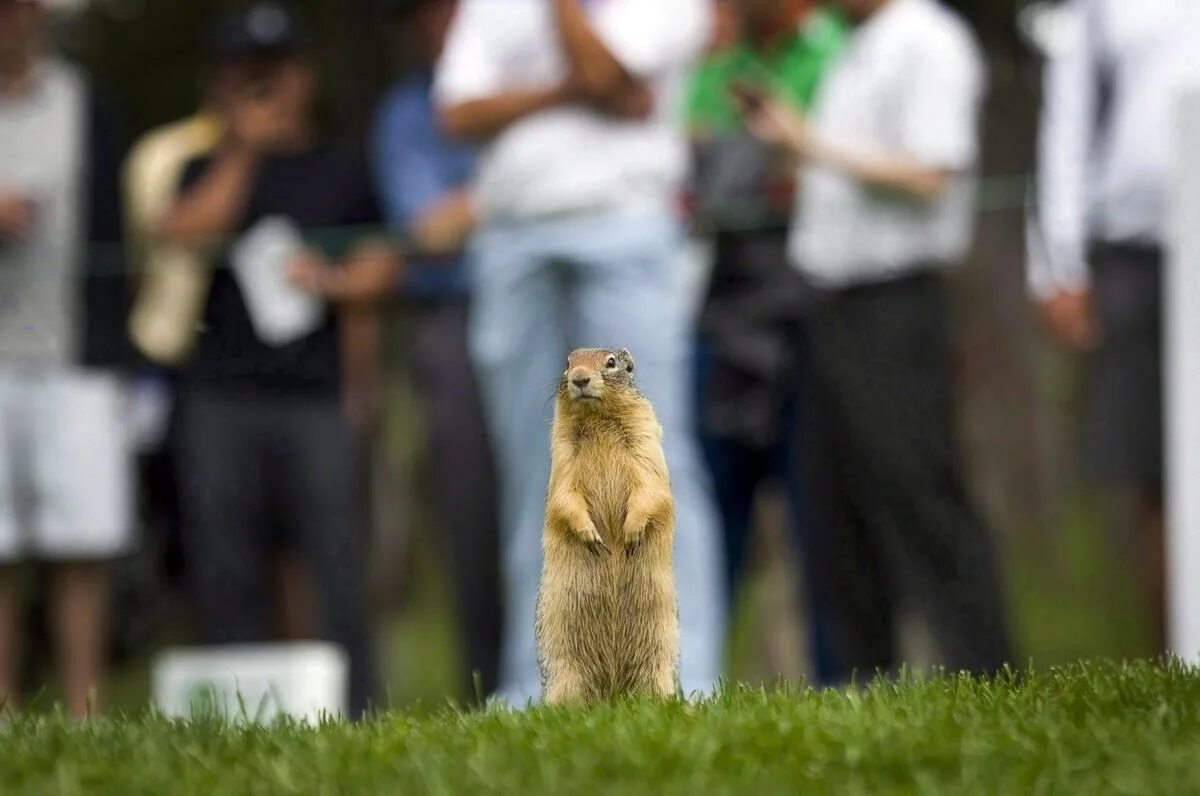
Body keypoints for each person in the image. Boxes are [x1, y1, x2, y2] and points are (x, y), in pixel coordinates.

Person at [436, 0, 725, 703]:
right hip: (512, 240)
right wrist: (570, 91)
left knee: (655, 454)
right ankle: (535, 684)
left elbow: (606, 72)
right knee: (534, 465)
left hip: (625, 233)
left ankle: (686, 680)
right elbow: (458, 111)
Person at [744, 0, 1010, 678]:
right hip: (825, 305)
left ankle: (984, 674)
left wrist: (808, 143)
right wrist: (790, 149)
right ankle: (862, 689)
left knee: (920, 495)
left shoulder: (929, 39)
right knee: (835, 510)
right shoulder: (855, 47)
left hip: (894, 305)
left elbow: (929, 173)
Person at [161, 2, 400, 718]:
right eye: (245, 77)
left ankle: (356, 711)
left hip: (317, 396)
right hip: (219, 395)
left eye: (274, 75)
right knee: (225, 560)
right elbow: (184, 234)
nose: (263, 90)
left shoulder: (340, 169)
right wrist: (244, 150)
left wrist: (334, 296)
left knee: (333, 561)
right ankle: (238, 712)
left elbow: (382, 269)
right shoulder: (203, 166)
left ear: (304, 77)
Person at [1029, 0, 1200, 650]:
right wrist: (1057, 263)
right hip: (1141, 249)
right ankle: (1177, 669)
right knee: (1151, 472)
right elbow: (1066, 119)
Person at [685, 0, 847, 684]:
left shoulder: (841, 46)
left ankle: (843, 689)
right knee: (707, 519)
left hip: (814, 312)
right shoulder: (714, 62)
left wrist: (775, 152)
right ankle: (688, 688)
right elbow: (693, 184)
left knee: (823, 520)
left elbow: (823, 174)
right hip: (721, 314)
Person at [0, 0, 132, 716]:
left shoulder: (89, 106)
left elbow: (121, 230)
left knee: (83, 542)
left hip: (77, 359)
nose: (9, 20)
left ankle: (87, 716)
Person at [371, 0, 503, 700]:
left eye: (447, 10)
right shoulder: (405, 111)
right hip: (454, 320)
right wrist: (521, 182)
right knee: (472, 514)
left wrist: (478, 202)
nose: (435, 26)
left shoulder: (527, 82)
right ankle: (489, 689)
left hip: (561, 312)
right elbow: (427, 231)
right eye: (421, 15)